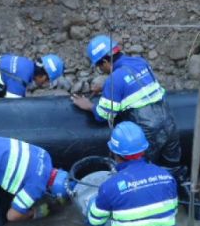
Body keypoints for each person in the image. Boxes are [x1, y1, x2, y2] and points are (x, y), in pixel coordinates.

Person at [71, 35, 186, 182]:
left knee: (144, 175)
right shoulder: (140, 62)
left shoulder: (115, 80)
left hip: (148, 131)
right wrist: (108, 89)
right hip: (169, 123)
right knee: (172, 167)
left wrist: (88, 106)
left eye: (100, 67)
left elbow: (103, 116)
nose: (101, 70)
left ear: (106, 61)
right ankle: (179, 194)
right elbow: (137, 86)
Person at [0, 54, 65, 99]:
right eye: (47, 81)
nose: (45, 84)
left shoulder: (26, 65)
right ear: (44, 76)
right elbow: (12, 108)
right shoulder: (21, 79)